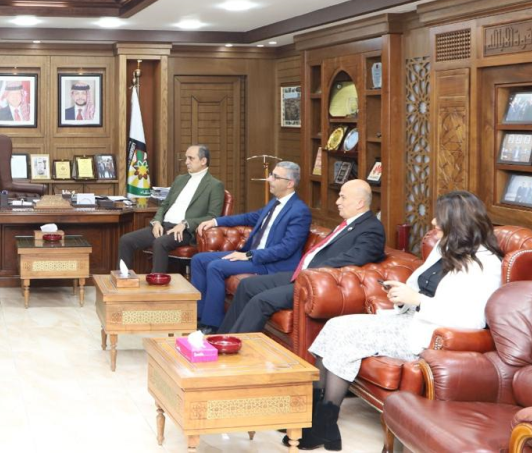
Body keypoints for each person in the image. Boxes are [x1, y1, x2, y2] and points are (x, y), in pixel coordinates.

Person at [298, 191, 503, 450]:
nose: (433, 222)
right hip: (409, 320)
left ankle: (324, 424)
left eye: (439, 217)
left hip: (433, 335)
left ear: (457, 221)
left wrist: (418, 300)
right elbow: (417, 285)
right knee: (335, 326)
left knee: (347, 335)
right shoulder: (445, 247)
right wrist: (402, 293)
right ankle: (318, 417)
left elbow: (471, 320)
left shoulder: (486, 264)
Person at [217, 180, 385, 334]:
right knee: (246, 285)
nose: (337, 202)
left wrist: (313, 270)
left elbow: (354, 258)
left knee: (260, 301)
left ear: (359, 203)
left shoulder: (372, 229)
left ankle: (234, 346)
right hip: (300, 274)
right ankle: (221, 338)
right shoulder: (348, 223)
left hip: (316, 282)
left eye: (342, 197)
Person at [189, 161, 311, 333]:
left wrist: (249, 256)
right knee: (199, 260)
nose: (269, 179)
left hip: (270, 264)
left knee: (216, 267)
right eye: (271, 175)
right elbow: (249, 218)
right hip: (253, 255)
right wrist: (215, 221)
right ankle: (199, 317)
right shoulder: (275, 203)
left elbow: (286, 248)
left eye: (275, 177)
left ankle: (212, 326)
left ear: (289, 183)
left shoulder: (299, 211)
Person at [118, 145, 224, 274]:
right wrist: (157, 221)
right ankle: (123, 279)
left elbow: (213, 216)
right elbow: (165, 204)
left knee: (160, 243)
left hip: (185, 231)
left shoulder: (215, 185)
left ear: (203, 161)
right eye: (186, 158)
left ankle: (157, 283)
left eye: (191, 158)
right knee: (126, 240)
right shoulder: (180, 179)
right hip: (163, 226)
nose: (186, 162)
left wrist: (185, 224)